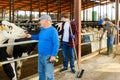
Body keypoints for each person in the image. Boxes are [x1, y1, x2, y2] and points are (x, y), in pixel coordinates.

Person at [26, 14, 59, 80]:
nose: (40, 22)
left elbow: (56, 44)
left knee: (49, 74)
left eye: (41, 20)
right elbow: (38, 37)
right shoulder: (42, 30)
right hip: (40, 55)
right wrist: (31, 36)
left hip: (48, 56)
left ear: (46, 21)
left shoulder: (53, 31)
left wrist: (53, 55)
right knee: (41, 72)